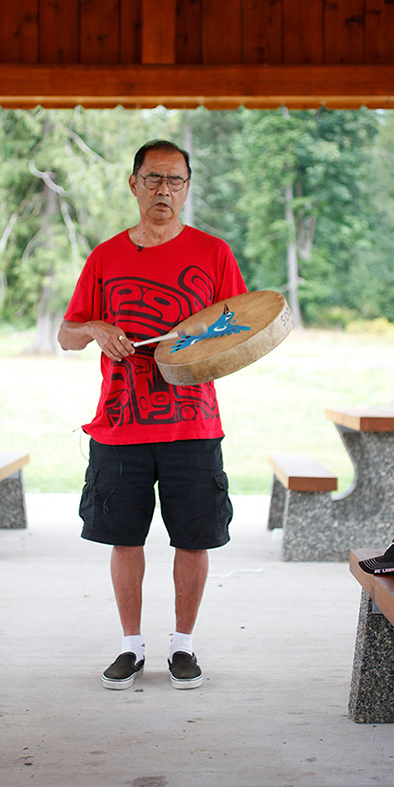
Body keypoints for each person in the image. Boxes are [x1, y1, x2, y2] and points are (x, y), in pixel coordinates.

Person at [58, 139, 247, 690]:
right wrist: (96, 329)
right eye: (153, 179)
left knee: (193, 538)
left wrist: (198, 345)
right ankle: (131, 647)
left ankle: (183, 646)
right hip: (119, 427)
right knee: (126, 539)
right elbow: (68, 335)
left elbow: (238, 331)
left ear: (187, 189)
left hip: (193, 424)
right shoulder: (105, 256)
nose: (164, 190)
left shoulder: (214, 254)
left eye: (175, 181)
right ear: (134, 183)